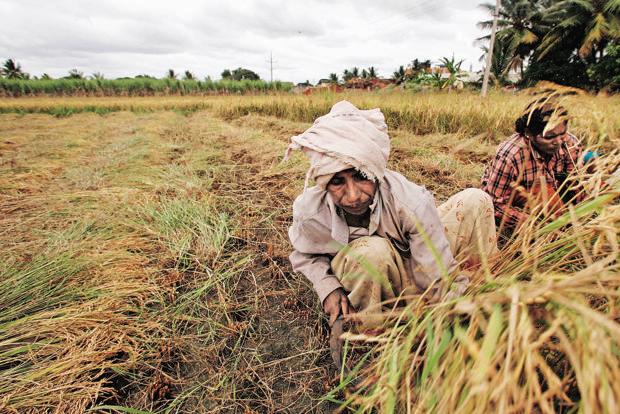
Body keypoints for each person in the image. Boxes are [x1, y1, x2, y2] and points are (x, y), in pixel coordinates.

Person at [286, 101, 498, 329]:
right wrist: (328, 287)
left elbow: (434, 277)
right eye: (337, 181)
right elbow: (305, 255)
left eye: (360, 176)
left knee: (476, 199)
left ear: (374, 171)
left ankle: (485, 289)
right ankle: (375, 328)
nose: (354, 195)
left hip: (417, 265)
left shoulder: (410, 201)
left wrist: (454, 307)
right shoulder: (311, 214)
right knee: (369, 253)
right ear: (324, 183)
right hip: (373, 270)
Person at [481, 98, 585, 236]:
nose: (559, 142)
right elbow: (494, 203)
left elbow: (577, 183)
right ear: (529, 134)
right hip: (516, 196)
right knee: (546, 195)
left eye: (562, 134)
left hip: (553, 191)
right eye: (550, 137)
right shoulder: (511, 155)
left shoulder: (569, 143)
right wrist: (533, 225)